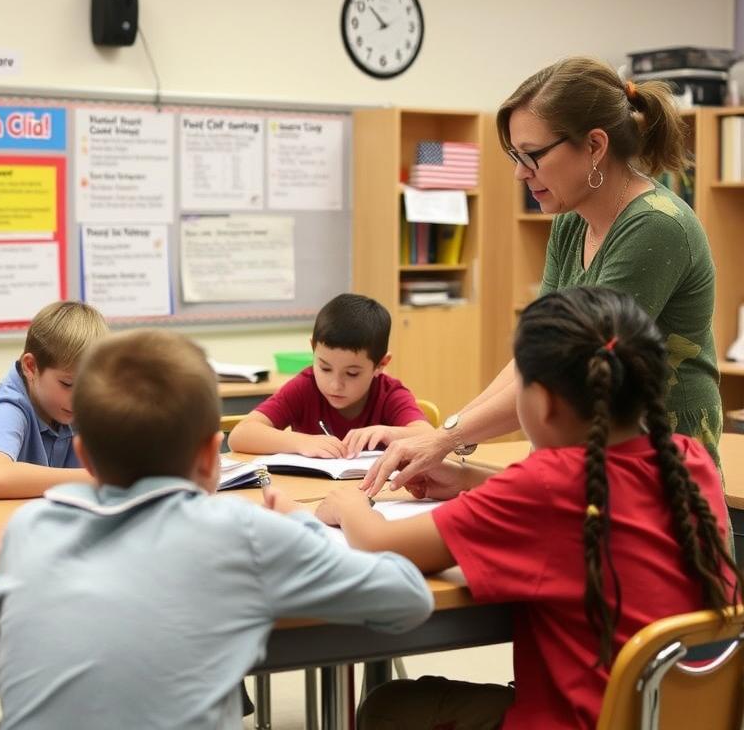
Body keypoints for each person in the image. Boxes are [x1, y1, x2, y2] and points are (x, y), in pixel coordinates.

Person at [317, 287, 742, 730]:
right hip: (677, 719)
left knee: (390, 707)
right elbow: (587, 502)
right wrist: (466, 480)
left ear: (540, 402)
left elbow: (381, 543)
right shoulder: (688, 460)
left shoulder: (545, 485)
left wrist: (349, 504)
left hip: (580, 722)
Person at [0, 329, 434, 730]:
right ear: (209, 455)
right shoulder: (244, 532)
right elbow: (409, 599)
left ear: (86, 457)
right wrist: (298, 524)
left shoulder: (28, 531)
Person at [362, 56, 722, 495]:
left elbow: (566, 374)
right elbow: (536, 359)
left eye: (531, 155)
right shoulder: (572, 220)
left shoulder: (655, 227)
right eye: (516, 156)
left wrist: (447, 438)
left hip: (658, 483)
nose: (519, 172)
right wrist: (449, 437)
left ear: (594, 146)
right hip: (586, 476)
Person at [0, 300, 107, 500]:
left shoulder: (72, 408)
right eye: (68, 384)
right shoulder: (6, 410)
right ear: (30, 367)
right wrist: (95, 478)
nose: (80, 398)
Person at [228, 293, 431, 459]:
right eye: (324, 368)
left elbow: (429, 437)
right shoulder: (305, 386)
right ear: (313, 349)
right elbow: (240, 435)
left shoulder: (389, 393)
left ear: (381, 365)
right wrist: (301, 442)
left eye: (352, 373)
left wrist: (389, 433)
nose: (335, 385)